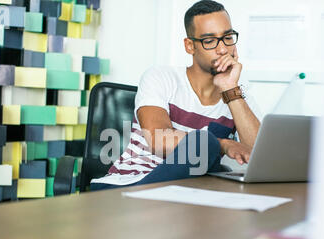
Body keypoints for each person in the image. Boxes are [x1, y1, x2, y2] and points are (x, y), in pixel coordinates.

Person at [91, 0, 262, 191]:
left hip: (184, 192)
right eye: (209, 41)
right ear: (190, 46)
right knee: (204, 144)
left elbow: (259, 155)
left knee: (216, 168)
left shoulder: (237, 94)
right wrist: (221, 145)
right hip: (129, 185)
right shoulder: (161, 77)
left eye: (227, 37)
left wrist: (230, 89)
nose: (222, 49)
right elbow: (158, 139)